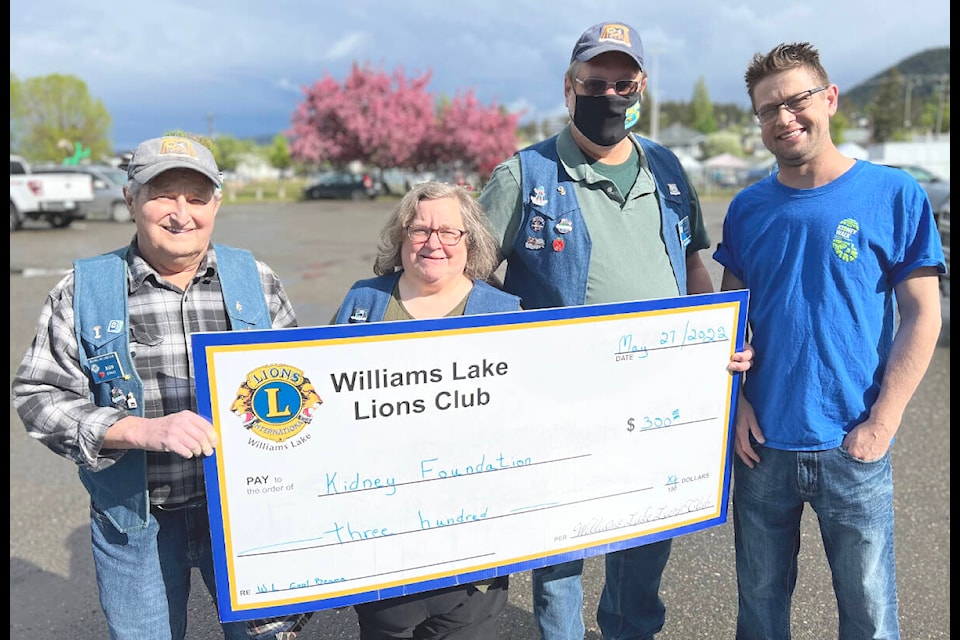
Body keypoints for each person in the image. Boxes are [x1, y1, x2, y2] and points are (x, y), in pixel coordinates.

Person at [478, 20, 751, 640]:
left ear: (642, 87)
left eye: (622, 84)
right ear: (569, 87)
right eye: (594, 83)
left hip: (656, 399)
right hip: (560, 405)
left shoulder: (667, 168)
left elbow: (691, 266)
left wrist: (716, 342)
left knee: (645, 538)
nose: (610, 96)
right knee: (559, 556)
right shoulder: (523, 176)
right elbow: (468, 281)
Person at [11, 135, 306, 640]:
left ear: (216, 203)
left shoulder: (255, 279)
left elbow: (302, 384)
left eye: (196, 198)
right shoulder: (84, 289)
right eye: (163, 195)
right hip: (137, 520)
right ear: (131, 200)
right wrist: (135, 430)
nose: (181, 213)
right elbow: (38, 396)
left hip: (244, 515)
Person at [713, 42, 945, 639]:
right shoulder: (746, 210)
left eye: (796, 101)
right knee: (760, 611)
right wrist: (737, 405)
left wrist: (883, 422)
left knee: (869, 614)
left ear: (831, 99)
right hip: (762, 448)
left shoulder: (894, 195)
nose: (784, 118)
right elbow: (730, 322)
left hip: (854, 443)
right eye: (768, 109)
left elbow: (923, 315)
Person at [329, 181, 518, 639]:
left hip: (472, 559)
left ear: (469, 241)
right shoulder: (364, 303)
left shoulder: (504, 311)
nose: (434, 242)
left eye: (449, 232)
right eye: (420, 229)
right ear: (401, 237)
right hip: (384, 544)